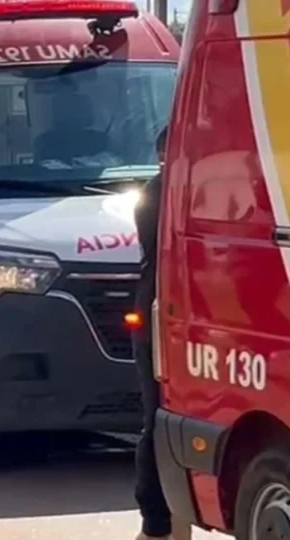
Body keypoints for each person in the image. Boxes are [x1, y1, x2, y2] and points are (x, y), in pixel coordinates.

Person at [133, 127, 189, 540]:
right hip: (161, 311)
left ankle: (175, 521)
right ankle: (157, 524)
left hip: (173, 309)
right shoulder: (159, 192)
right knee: (159, 416)